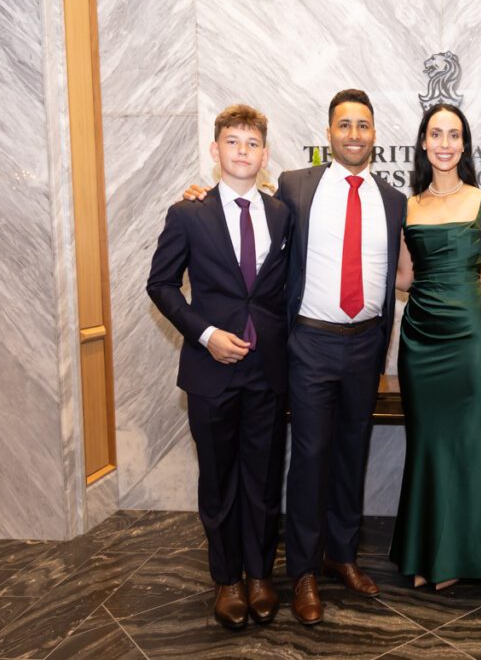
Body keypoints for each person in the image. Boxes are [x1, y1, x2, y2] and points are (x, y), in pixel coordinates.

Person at [183, 90, 406, 625]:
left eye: (364, 125)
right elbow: (237, 211)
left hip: (367, 342)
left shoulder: (393, 199)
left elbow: (402, 272)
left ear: (375, 134)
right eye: (344, 125)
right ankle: (303, 571)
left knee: (353, 452)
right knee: (308, 458)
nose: (354, 134)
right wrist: (198, 195)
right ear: (328, 133)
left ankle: (342, 555)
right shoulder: (294, 187)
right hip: (308, 342)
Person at [147, 105, 292, 629]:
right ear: (215, 151)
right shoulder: (188, 214)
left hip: (267, 373)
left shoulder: (281, 214)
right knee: (219, 480)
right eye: (232, 142)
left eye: (252, 144)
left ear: (264, 155)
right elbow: (160, 285)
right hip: (211, 372)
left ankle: (259, 576)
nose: (242, 152)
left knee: (262, 479)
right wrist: (205, 336)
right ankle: (227, 580)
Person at [388, 103, 481, 589]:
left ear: (464, 144)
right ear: (422, 142)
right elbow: (402, 279)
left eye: (453, 135)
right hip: (420, 338)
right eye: (436, 134)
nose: (445, 144)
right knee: (428, 444)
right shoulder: (407, 206)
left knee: (471, 445)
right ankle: (424, 553)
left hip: (472, 338)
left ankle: (458, 558)